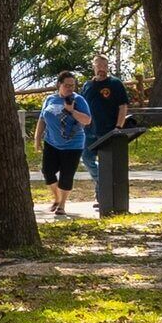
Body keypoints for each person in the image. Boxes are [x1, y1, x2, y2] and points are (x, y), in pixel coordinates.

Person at [36, 73, 96, 218]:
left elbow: (87, 120)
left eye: (72, 85)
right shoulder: (50, 99)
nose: (70, 88)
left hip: (73, 144)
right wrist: (37, 138)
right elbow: (42, 118)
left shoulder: (78, 100)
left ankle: (62, 204)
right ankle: (56, 198)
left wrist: (71, 110)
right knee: (47, 171)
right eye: (66, 85)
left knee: (66, 175)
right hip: (51, 142)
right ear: (59, 85)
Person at [81, 58, 136, 216]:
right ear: (93, 67)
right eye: (99, 66)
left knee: (109, 165)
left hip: (109, 131)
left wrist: (118, 127)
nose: (102, 69)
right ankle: (101, 184)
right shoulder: (87, 85)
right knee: (87, 158)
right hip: (90, 131)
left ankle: (102, 197)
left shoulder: (115, 84)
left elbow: (123, 106)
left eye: (104, 66)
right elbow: (82, 106)